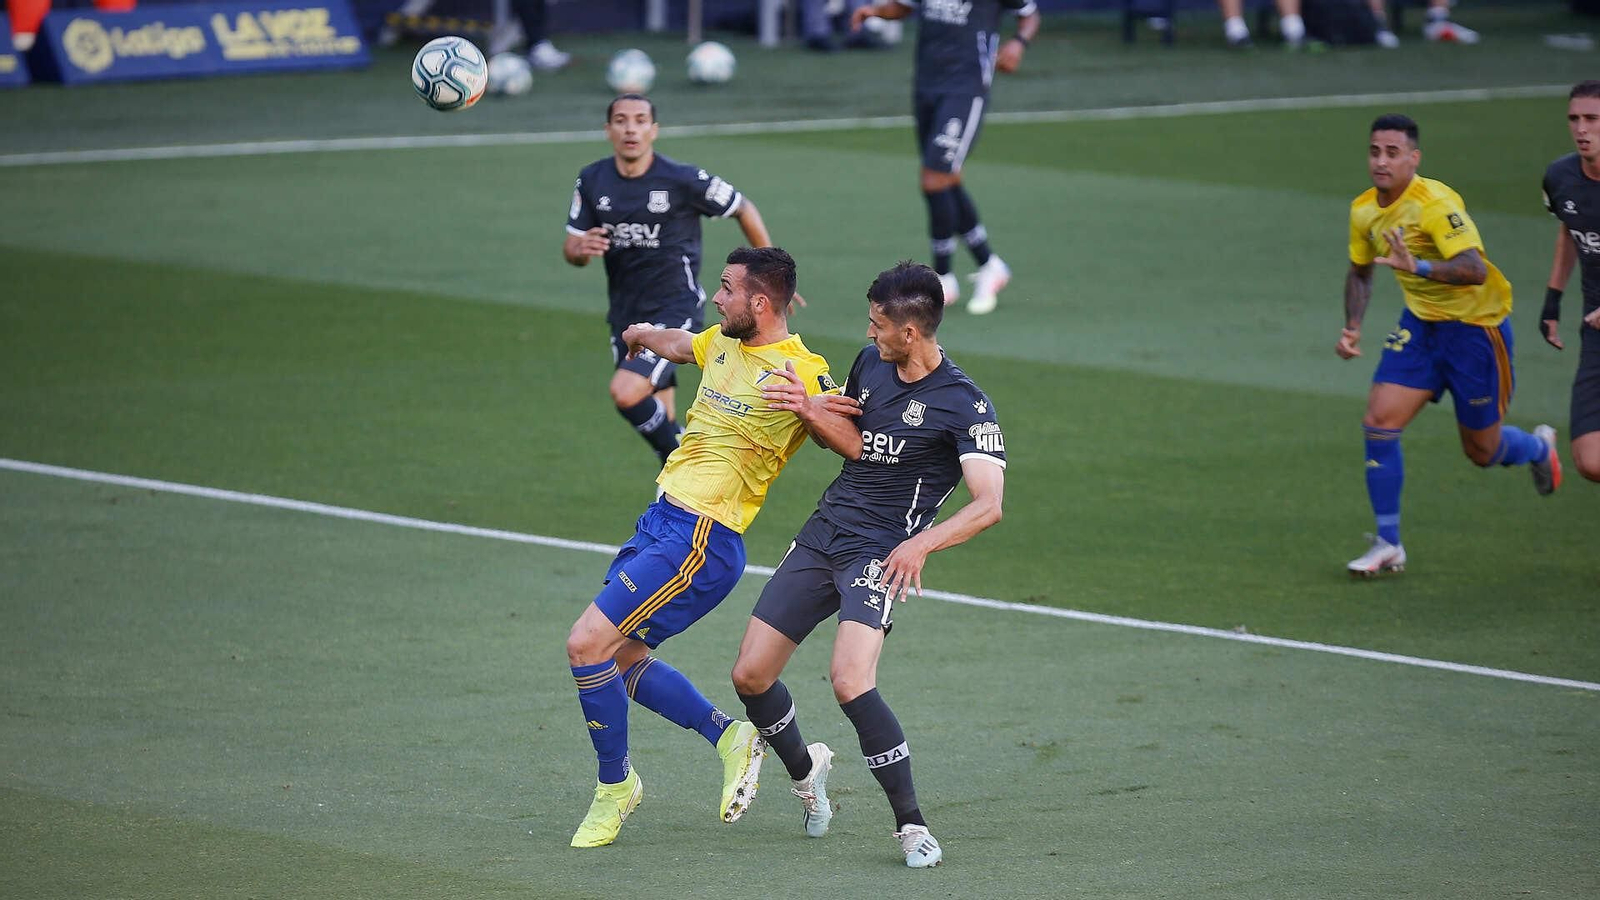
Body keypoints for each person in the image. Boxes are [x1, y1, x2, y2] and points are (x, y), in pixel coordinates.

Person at [564, 246, 846, 849]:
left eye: (726, 288)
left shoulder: (801, 367)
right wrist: (641, 332)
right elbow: (680, 343)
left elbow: (850, 438)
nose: (715, 298)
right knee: (617, 659)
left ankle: (615, 787)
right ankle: (730, 738)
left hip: (704, 535)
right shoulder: (722, 341)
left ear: (760, 302)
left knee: (586, 645)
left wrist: (808, 410)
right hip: (661, 519)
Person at [729, 261, 1007, 868]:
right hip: (825, 534)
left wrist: (920, 544)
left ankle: (911, 826)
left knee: (851, 680)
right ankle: (808, 776)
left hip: (880, 554)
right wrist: (807, 408)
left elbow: (989, 505)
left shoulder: (964, 404)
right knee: (750, 676)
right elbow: (853, 443)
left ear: (910, 332)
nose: (869, 333)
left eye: (878, 324)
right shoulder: (870, 365)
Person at [1337, 113, 1560, 577]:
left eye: (1392, 153)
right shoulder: (1363, 209)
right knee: (1378, 420)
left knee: (1482, 450)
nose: (1381, 161)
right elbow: (1361, 269)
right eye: (1375, 151)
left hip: (1476, 331)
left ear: (1413, 159)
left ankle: (1539, 450)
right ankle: (1388, 542)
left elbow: (1474, 270)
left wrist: (1416, 267)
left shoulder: (1436, 204)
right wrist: (1352, 325)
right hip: (1420, 326)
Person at [565, 95, 789, 470]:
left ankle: (681, 459)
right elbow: (572, 247)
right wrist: (580, 248)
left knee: (627, 392)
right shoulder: (592, 180)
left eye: (640, 120)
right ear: (608, 130)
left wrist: (771, 275)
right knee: (659, 414)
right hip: (624, 313)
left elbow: (742, 207)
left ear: (654, 130)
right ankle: (673, 492)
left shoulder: (682, 179)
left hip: (675, 308)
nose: (630, 128)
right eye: (621, 120)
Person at [849, 0, 1041, 315]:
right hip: (927, 85)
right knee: (946, 178)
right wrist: (875, 11)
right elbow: (903, 7)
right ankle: (989, 264)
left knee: (934, 178)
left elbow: (1030, 14)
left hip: (965, 89)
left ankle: (944, 278)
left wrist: (1018, 44)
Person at [1538, 80, 1600, 484]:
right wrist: (1552, 300)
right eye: (1574, 119)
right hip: (1595, 333)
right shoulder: (1560, 177)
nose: (1581, 129)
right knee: (1590, 461)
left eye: (1592, 119)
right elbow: (1569, 231)